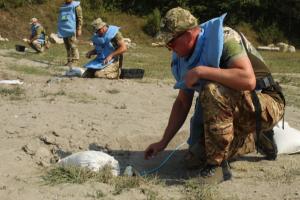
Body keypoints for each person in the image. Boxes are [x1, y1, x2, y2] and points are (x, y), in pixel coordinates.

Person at [144, 7, 285, 183]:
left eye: (171, 42)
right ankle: (253, 139)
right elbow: (182, 102)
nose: (170, 48)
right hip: (233, 108)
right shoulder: (186, 57)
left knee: (211, 90)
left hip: (265, 102)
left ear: (188, 34)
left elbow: (248, 80)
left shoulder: (225, 38)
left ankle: (216, 167)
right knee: (194, 159)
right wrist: (163, 142)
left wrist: (202, 71)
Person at [57, 0, 83, 67]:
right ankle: (69, 60)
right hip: (64, 28)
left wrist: (79, 29)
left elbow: (80, 18)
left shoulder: (76, 6)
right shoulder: (63, 6)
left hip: (72, 29)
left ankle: (75, 61)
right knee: (67, 46)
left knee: (73, 45)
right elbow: (61, 17)